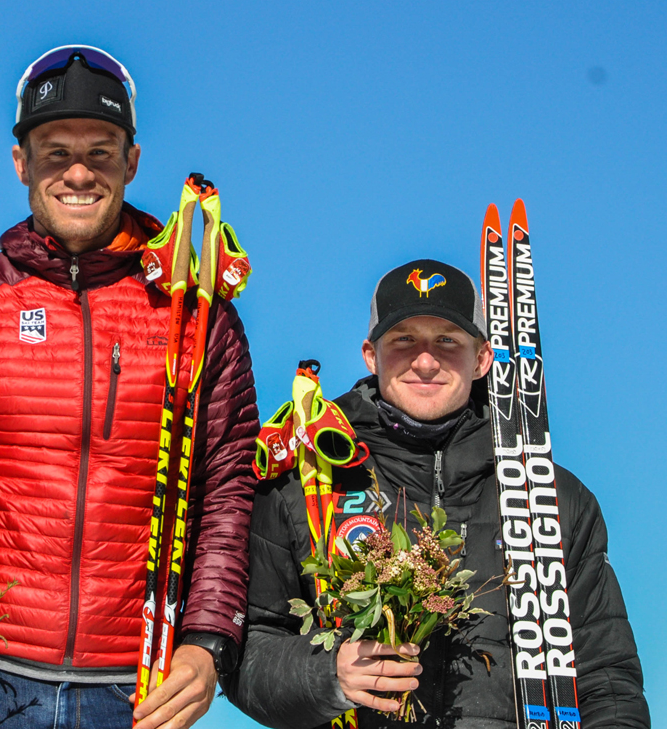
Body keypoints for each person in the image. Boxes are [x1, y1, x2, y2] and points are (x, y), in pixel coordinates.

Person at [0, 45, 259, 729]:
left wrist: (210, 642)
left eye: (100, 150)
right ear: (21, 163)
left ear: (132, 161)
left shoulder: (196, 309)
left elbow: (228, 491)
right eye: (55, 150)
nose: (79, 171)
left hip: (136, 684)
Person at [230, 259, 649, 728]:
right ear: (371, 354)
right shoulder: (306, 483)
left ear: (482, 358)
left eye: (447, 341)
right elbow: (248, 651)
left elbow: (608, 680)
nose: (425, 360)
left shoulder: (554, 498)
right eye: (404, 339)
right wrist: (328, 675)